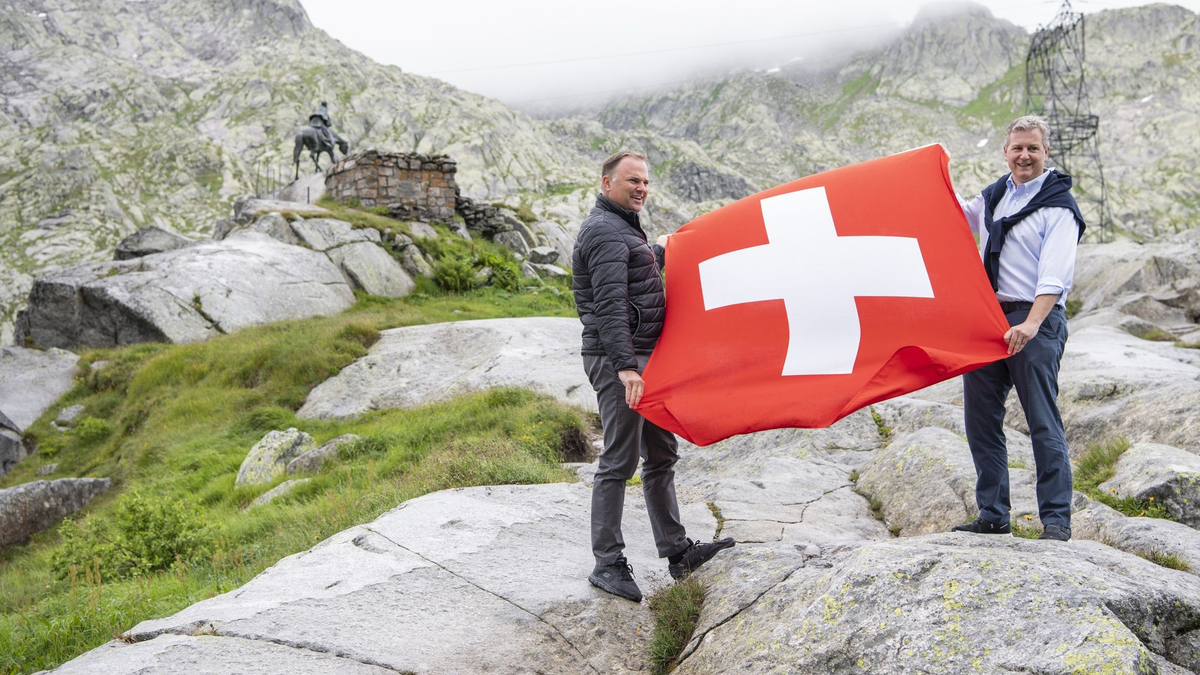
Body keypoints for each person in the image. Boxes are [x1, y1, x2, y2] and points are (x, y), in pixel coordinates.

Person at [572, 150, 735, 601]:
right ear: (607, 184)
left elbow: (635, 281)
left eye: (645, 181)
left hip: (647, 360)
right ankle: (607, 562)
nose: (641, 188)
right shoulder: (604, 231)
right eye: (631, 181)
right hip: (620, 362)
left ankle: (678, 551)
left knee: (661, 454)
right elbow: (608, 305)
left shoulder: (623, 228)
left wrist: (660, 251)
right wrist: (625, 367)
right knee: (619, 461)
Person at [952, 115, 1086, 542]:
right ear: (1005, 152)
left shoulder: (1058, 205)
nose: (1024, 155)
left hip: (1035, 320)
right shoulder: (994, 196)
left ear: (1046, 153)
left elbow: (1055, 274)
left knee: (1041, 420)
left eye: (1032, 148)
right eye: (1017, 148)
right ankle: (993, 514)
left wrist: (1031, 323)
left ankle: (1056, 522)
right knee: (981, 421)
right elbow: (953, 216)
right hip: (989, 319)